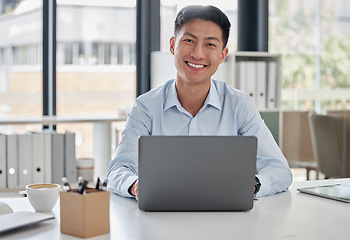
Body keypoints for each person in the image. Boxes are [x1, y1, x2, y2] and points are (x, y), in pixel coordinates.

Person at [107, 5, 292, 200]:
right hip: (161, 218)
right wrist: (137, 186)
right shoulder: (146, 107)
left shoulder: (239, 105)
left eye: (210, 44)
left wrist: (251, 186)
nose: (197, 54)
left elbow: (279, 170)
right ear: (172, 45)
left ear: (222, 55)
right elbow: (118, 170)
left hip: (226, 219)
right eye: (189, 40)